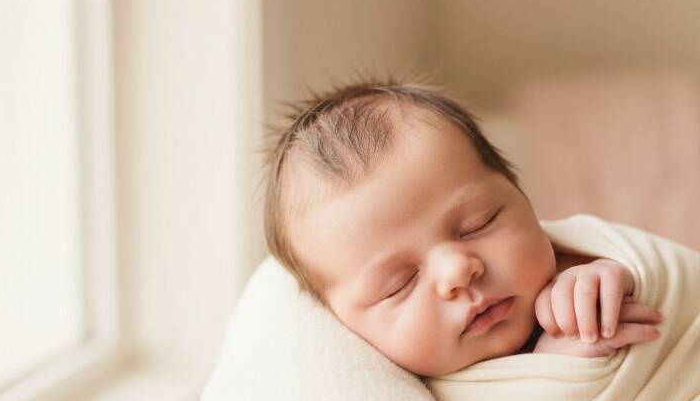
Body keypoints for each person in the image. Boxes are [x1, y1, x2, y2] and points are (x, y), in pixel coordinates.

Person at [262, 78, 663, 377]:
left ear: (520, 194)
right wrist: (553, 376)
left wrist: (602, 276)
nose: (457, 269)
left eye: (478, 224)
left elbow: (670, 287)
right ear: (344, 325)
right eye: (399, 283)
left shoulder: (580, 273)